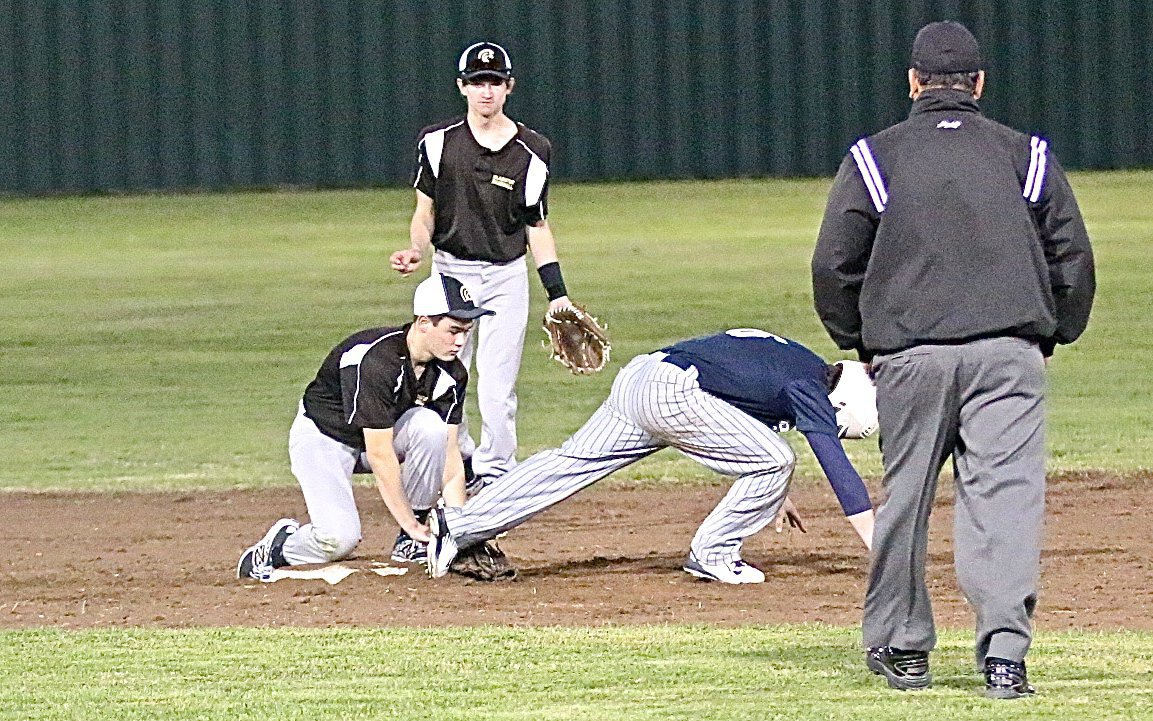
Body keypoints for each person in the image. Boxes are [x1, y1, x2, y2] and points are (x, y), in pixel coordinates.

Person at [811, 21, 1095, 699]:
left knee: (906, 499)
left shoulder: (874, 157)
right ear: (978, 84)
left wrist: (862, 340)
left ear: (912, 83)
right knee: (1003, 503)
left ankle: (904, 650)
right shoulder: (1023, 154)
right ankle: (1003, 659)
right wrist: (1051, 332)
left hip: (910, 355)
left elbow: (832, 264)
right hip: (1008, 354)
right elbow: (1071, 257)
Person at [425, 328, 880, 585]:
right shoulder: (812, 389)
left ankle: (458, 525)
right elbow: (839, 473)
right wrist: (881, 548)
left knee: (572, 462)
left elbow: (740, 392)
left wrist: (771, 493)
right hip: (674, 393)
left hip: (644, 376)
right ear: (842, 405)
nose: (831, 427)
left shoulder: (801, 360)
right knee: (776, 460)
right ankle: (714, 554)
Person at [390, 41, 576, 491]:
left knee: (497, 387)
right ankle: (462, 459)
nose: (485, 91)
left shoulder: (534, 150)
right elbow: (425, 210)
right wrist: (417, 248)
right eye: (476, 82)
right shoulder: (437, 143)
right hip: (452, 271)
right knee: (449, 373)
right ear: (462, 87)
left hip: (506, 275)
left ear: (509, 87)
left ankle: (497, 475)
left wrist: (558, 293)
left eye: (493, 82)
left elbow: (536, 225)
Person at [236, 275, 494, 580]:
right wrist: (410, 522)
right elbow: (381, 453)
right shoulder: (376, 361)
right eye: (453, 331)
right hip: (324, 438)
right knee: (337, 540)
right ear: (424, 323)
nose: (461, 342)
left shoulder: (452, 375)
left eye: (466, 331)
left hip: (373, 439)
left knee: (430, 428)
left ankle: (410, 545)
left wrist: (462, 528)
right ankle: (280, 547)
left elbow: (450, 457)